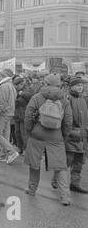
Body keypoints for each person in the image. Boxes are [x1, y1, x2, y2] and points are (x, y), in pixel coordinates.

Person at [24, 74, 73, 206]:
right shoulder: (64, 99)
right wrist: (63, 135)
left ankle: (32, 189)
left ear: (45, 83)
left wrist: (30, 130)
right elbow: (68, 121)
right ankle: (65, 197)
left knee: (34, 163)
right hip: (56, 136)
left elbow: (28, 115)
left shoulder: (37, 97)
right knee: (61, 166)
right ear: (59, 85)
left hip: (37, 134)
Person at [52, 77, 88, 194]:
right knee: (67, 160)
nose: (80, 87)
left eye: (81, 85)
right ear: (71, 86)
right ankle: (56, 179)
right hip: (71, 135)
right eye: (78, 85)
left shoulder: (83, 99)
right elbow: (64, 118)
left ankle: (74, 183)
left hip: (82, 135)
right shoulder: (67, 99)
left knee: (79, 162)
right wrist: (69, 132)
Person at [0, 69, 19, 164]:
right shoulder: (11, 86)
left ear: (4, 76)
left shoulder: (3, 87)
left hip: (2, 113)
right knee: (5, 135)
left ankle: (11, 152)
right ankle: (5, 154)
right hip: (9, 112)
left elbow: (0, 102)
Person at [13, 76, 34, 155]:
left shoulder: (27, 89)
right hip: (17, 114)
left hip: (24, 114)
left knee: (24, 133)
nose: (16, 87)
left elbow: (30, 96)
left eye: (17, 85)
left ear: (21, 84)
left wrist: (21, 93)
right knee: (17, 132)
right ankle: (20, 147)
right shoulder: (16, 90)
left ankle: (26, 149)